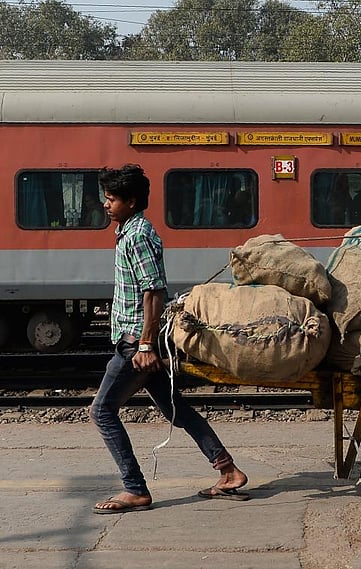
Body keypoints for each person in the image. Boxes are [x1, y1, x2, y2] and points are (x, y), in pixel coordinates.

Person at [90, 164, 249, 514]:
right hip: (138, 340)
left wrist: (145, 345)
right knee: (176, 409)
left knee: (102, 411)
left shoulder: (138, 235)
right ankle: (228, 471)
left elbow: (154, 292)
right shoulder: (129, 231)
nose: (106, 204)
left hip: (137, 344)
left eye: (112, 199)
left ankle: (135, 489)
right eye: (106, 198)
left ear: (131, 202)